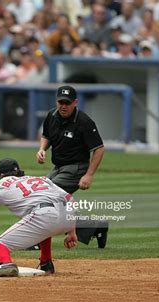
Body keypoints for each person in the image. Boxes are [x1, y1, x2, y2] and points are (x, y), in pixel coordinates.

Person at [0, 158, 78, 277]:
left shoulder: (1, 185)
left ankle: (7, 264)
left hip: (44, 214)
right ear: (18, 172)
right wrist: (72, 231)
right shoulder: (41, 179)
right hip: (66, 217)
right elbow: (70, 200)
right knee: (41, 229)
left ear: (1, 175)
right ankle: (46, 263)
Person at [36, 85, 107, 248]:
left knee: (46, 197)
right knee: (41, 194)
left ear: (75, 102)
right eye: (61, 102)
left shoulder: (84, 121)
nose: (63, 106)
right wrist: (42, 150)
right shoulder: (51, 115)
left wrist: (88, 175)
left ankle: (39, 239)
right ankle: (94, 227)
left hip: (76, 168)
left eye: (67, 102)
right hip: (58, 167)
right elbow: (46, 135)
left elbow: (99, 149)